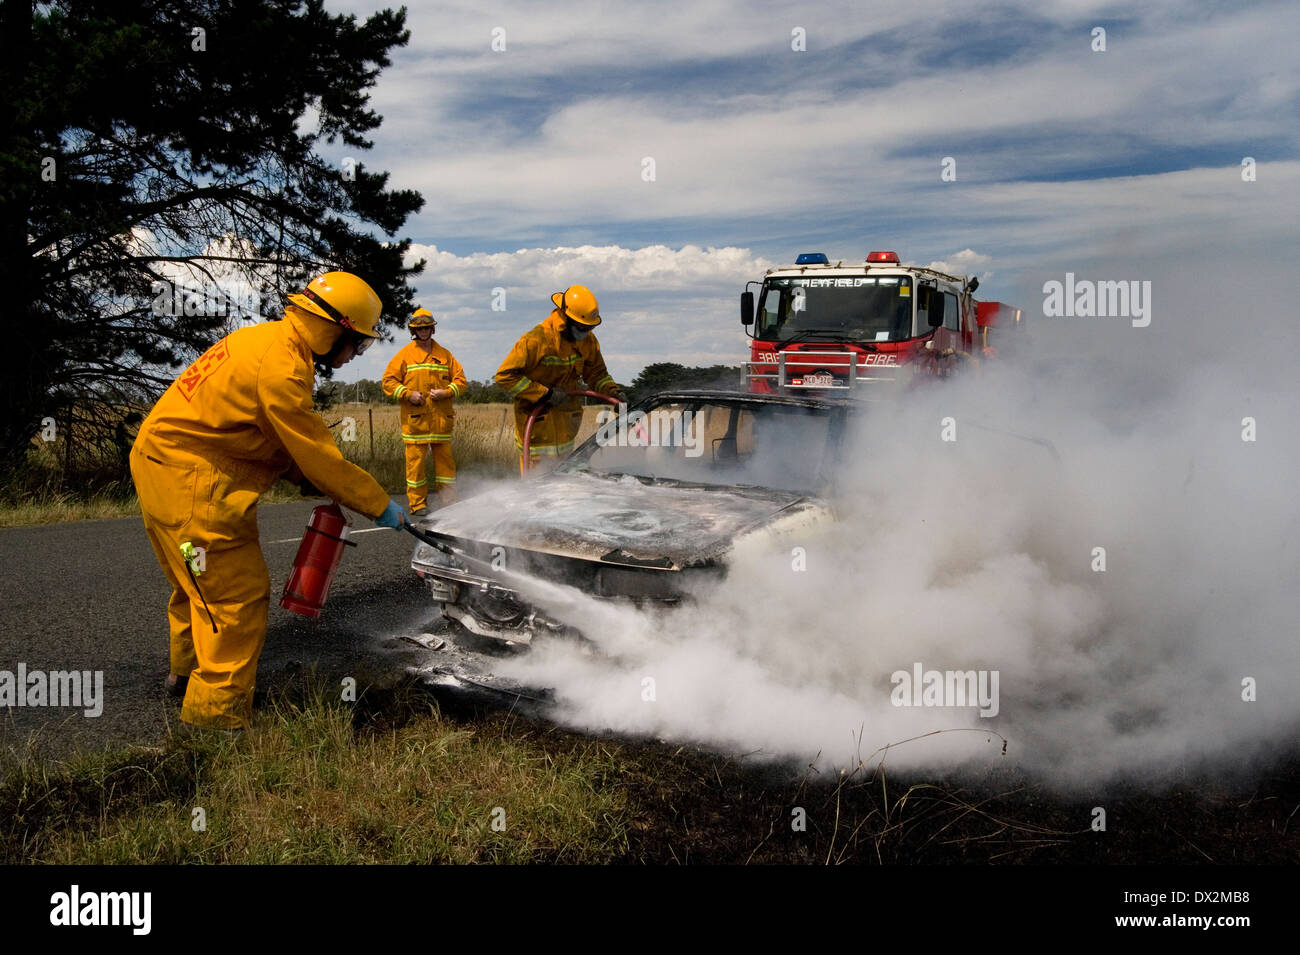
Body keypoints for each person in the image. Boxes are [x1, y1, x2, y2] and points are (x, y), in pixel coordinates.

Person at [130, 271, 406, 732]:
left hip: (161, 465)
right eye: (357, 343)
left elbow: (273, 438)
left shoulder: (262, 340)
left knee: (196, 582)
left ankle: (184, 674)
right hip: (193, 481)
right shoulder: (283, 366)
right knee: (235, 596)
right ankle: (216, 719)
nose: (355, 354)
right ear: (334, 328)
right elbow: (314, 448)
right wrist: (377, 504)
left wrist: (304, 478)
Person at [495, 284, 625, 474]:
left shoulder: (588, 341)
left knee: (564, 486)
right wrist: (543, 394)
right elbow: (504, 376)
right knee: (535, 491)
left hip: (566, 428)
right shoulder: (536, 340)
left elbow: (597, 374)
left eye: (589, 327)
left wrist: (613, 393)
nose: (585, 332)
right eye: (581, 327)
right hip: (537, 428)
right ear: (566, 318)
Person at [381, 307, 467, 513]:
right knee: (416, 466)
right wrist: (408, 394)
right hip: (415, 423)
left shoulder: (445, 355)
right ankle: (418, 504)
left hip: (441, 422)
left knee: (446, 467)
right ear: (414, 331)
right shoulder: (404, 356)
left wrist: (446, 392)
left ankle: (450, 501)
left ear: (432, 330)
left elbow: (461, 381)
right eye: (420, 329)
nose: (424, 332)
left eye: (427, 328)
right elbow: (388, 382)